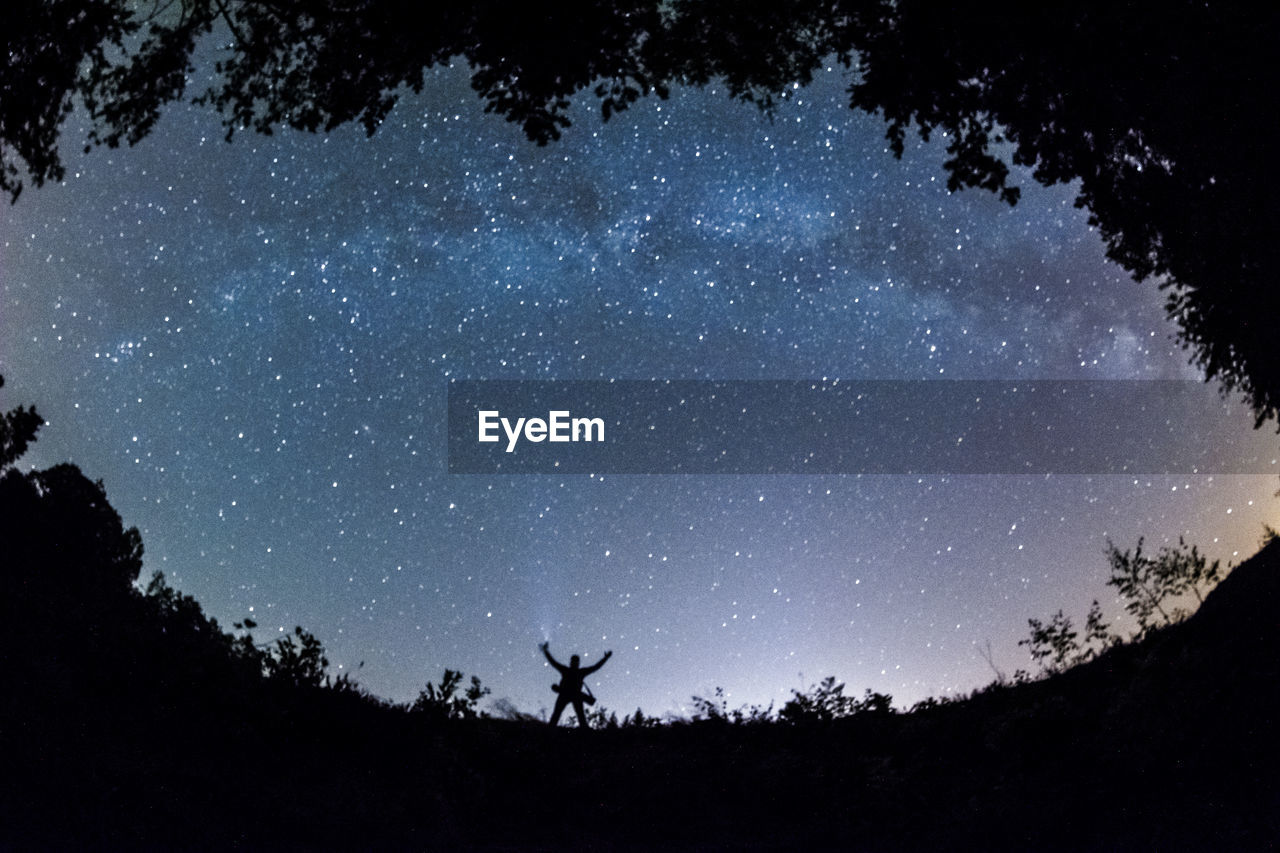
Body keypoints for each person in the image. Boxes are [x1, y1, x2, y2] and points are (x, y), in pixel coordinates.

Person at [540, 641, 611, 727]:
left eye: (575, 661)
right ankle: (550, 732)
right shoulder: (575, 671)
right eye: (574, 661)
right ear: (572, 662)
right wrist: (546, 651)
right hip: (567, 694)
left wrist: (605, 658)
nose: (575, 663)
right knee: (558, 715)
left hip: (571, 695)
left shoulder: (573, 671)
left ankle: (551, 732)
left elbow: (596, 667)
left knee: (578, 717)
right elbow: (553, 662)